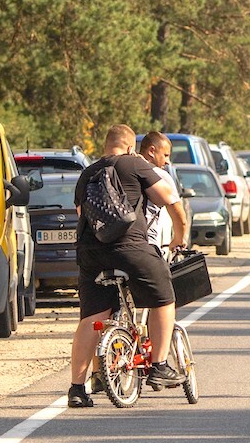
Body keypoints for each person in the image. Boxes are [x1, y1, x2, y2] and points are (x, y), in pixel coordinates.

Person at [67, 125, 189, 408]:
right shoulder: (135, 164)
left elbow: (81, 214)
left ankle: (76, 388)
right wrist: (180, 236)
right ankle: (158, 365)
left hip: (90, 254)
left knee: (91, 318)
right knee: (164, 297)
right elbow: (170, 200)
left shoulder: (87, 173)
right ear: (131, 146)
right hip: (130, 248)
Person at [137, 131, 179, 259]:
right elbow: (178, 213)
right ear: (151, 151)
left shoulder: (123, 169)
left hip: (114, 246)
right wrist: (178, 240)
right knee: (162, 278)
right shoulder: (160, 176)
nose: (167, 162)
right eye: (165, 155)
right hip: (147, 246)